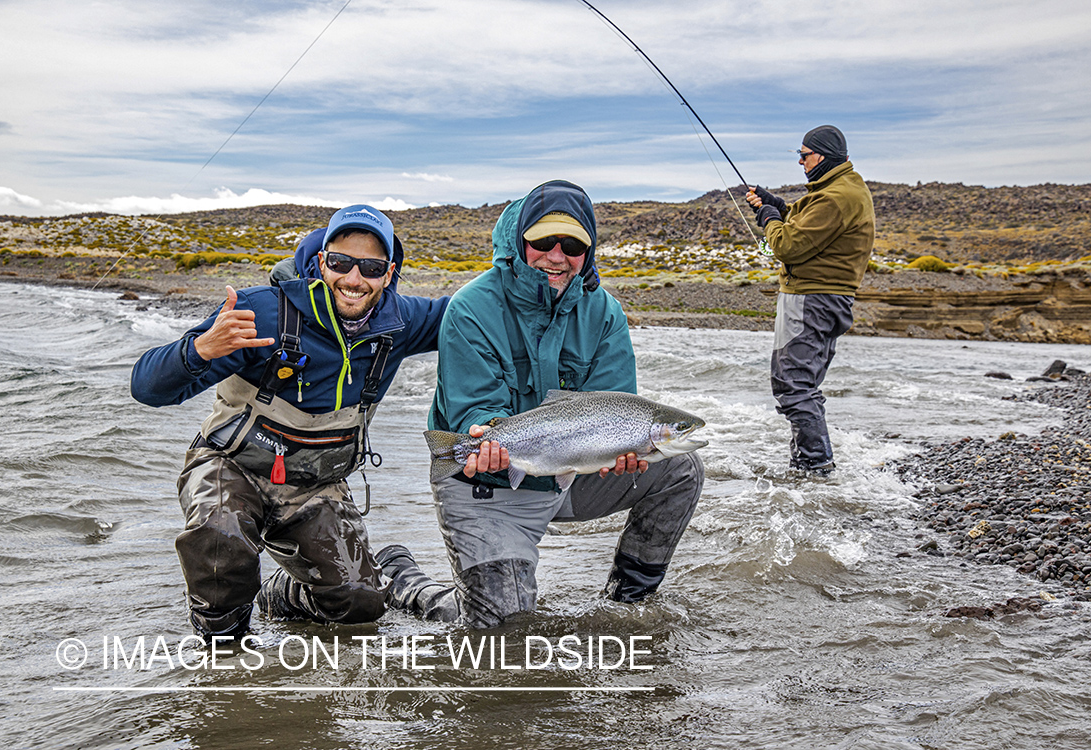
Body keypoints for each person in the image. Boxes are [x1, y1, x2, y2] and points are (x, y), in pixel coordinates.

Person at [377, 179, 705, 628]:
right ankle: (406, 581)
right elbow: (474, 408)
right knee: (501, 629)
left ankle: (626, 605)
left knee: (681, 469)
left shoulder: (604, 311)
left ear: (587, 252)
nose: (557, 254)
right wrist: (484, 435)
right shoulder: (472, 307)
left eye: (572, 244)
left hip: (570, 472)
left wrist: (623, 456)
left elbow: (614, 403)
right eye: (543, 241)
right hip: (487, 481)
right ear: (519, 242)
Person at [130, 205, 449, 640]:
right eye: (341, 263)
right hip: (230, 465)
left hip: (316, 484)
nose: (354, 279)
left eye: (371, 267)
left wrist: (559, 269)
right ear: (322, 262)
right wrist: (200, 349)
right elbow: (146, 387)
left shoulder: (403, 322)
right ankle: (223, 655)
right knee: (220, 540)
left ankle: (280, 594)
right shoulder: (260, 312)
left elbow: (478, 310)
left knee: (360, 605)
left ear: (388, 274)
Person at [746, 125, 875, 474]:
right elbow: (808, 225)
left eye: (804, 156)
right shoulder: (840, 189)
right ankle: (809, 463)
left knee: (792, 383)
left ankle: (815, 468)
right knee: (802, 383)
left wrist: (769, 218)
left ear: (822, 156)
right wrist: (777, 207)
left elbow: (788, 245)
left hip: (811, 298)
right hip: (825, 298)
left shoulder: (835, 197)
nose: (801, 163)